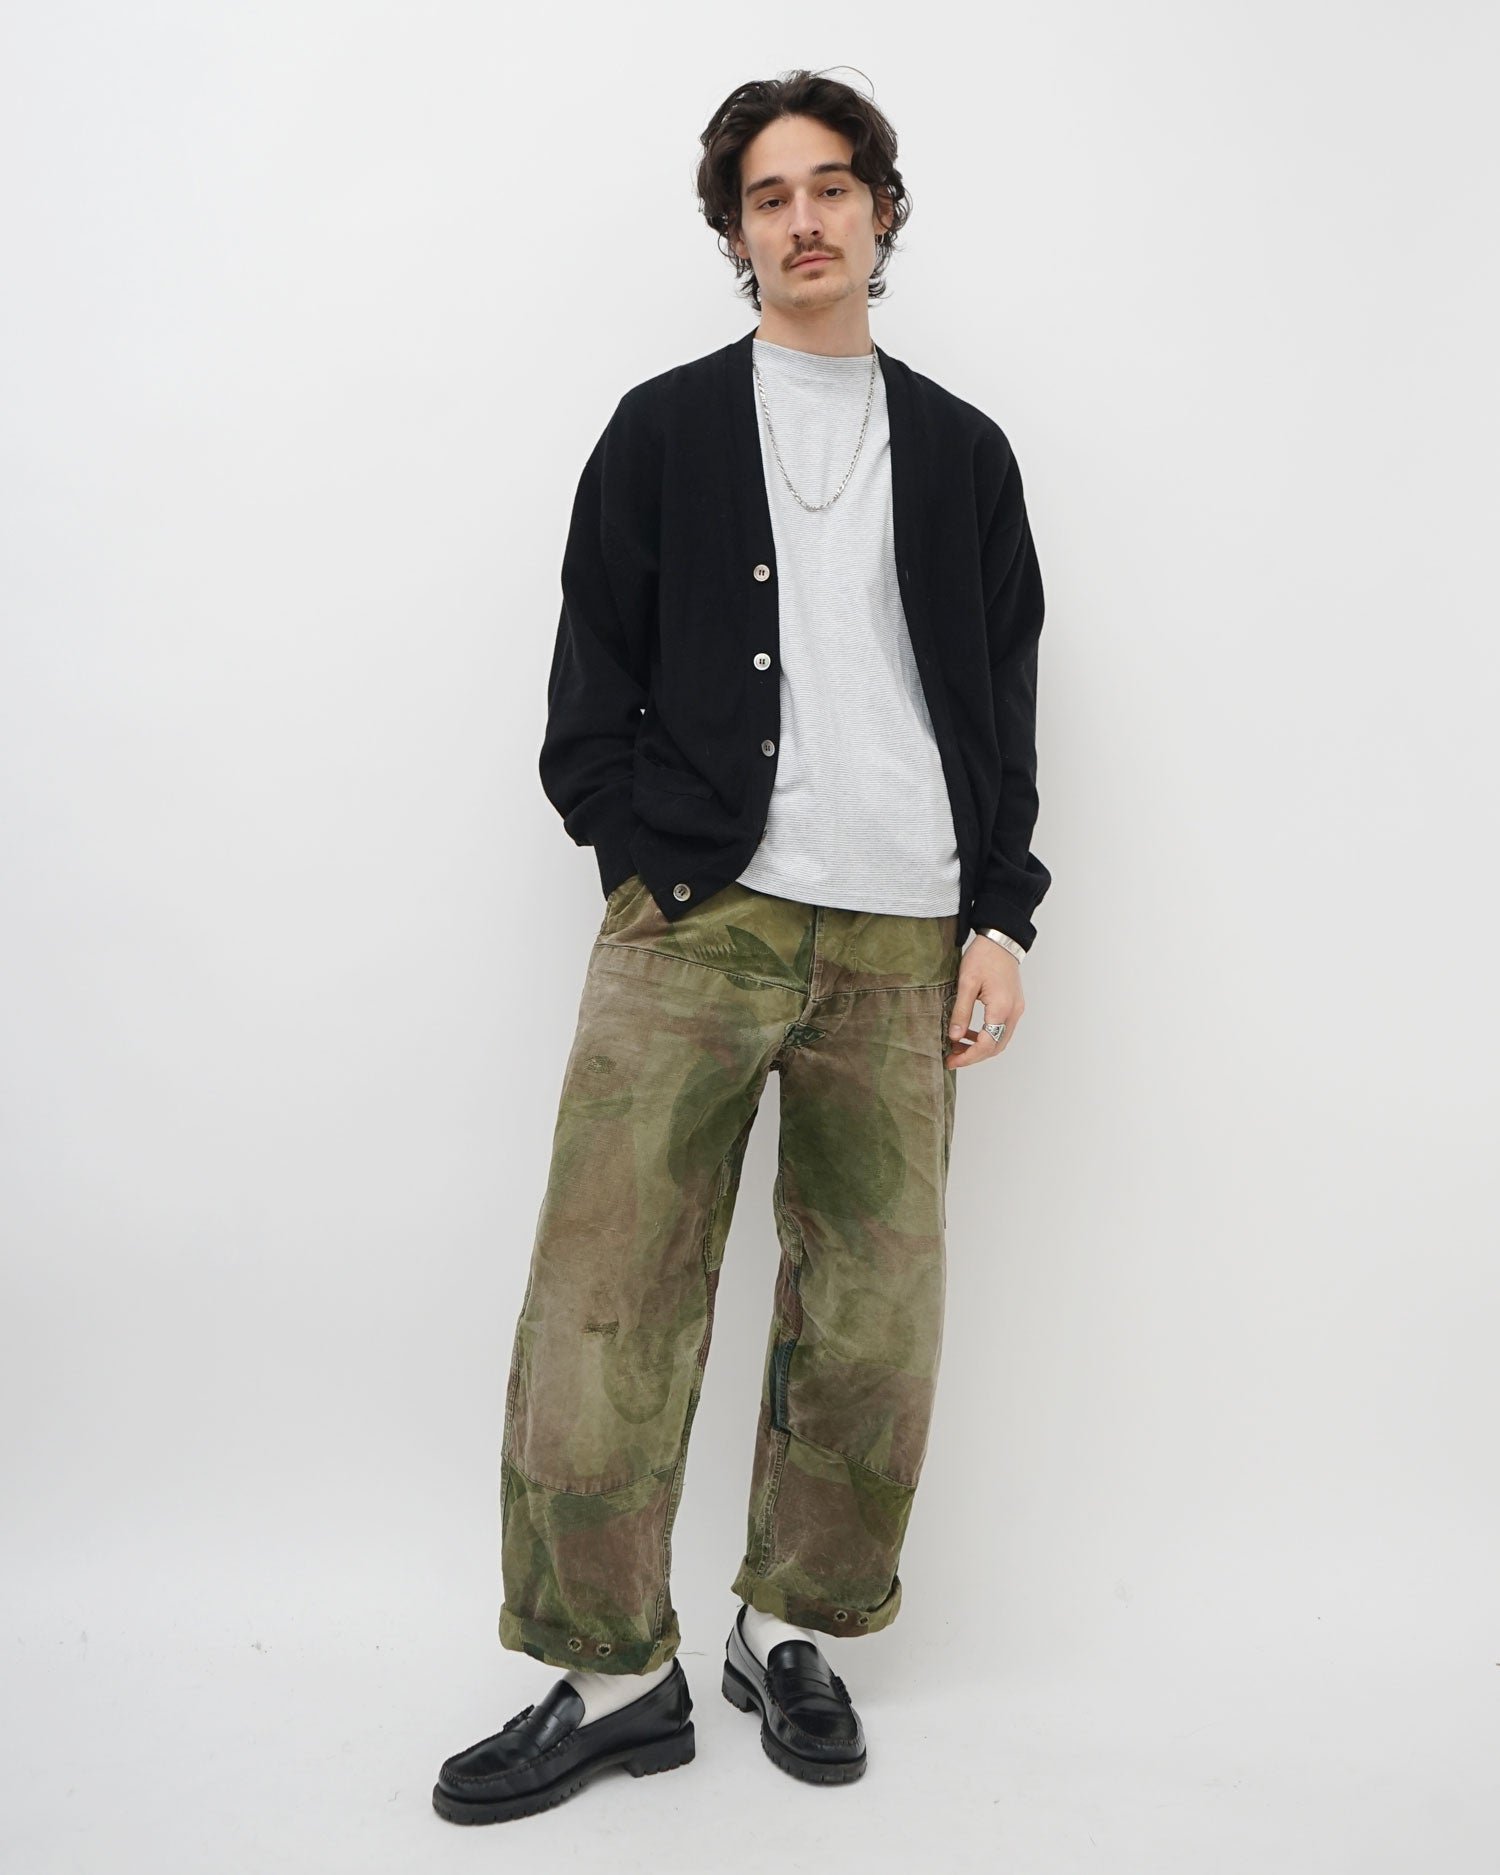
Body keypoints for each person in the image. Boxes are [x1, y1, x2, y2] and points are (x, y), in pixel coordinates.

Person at [433, 66, 1051, 1826]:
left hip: (906, 934)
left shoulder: (964, 452)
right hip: (697, 924)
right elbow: (588, 697)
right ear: (734, 233)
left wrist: (998, 912)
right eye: (769, 196)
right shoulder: (661, 432)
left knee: (872, 1315)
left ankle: (791, 1632)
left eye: (833, 185)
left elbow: (1002, 699)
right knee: (606, 1297)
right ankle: (608, 1672)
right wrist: (647, 865)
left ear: (880, 210)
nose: (805, 219)